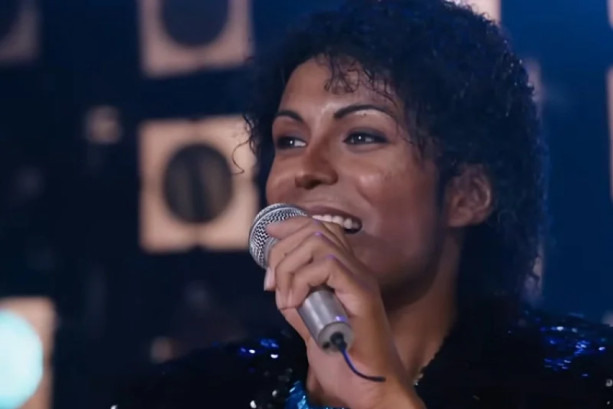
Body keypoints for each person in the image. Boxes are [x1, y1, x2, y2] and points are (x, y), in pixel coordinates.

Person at [113, 0, 613, 408]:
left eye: (361, 136)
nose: (306, 168)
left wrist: (379, 395)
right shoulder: (189, 394)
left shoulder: (581, 385)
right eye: (289, 140)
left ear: (467, 196)